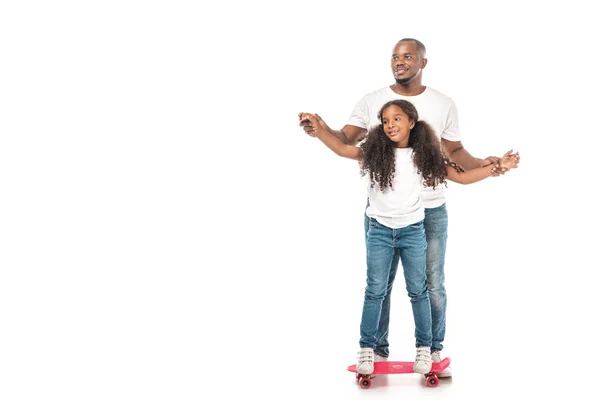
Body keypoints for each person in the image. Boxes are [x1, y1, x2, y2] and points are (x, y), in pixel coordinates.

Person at [299, 38, 520, 377]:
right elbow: (345, 143)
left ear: (423, 62)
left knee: (429, 286)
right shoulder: (373, 106)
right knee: (379, 287)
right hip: (381, 219)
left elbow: (456, 158)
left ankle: (430, 350)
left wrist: (492, 166)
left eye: (407, 56)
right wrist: (319, 128)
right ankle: (375, 350)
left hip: (425, 215)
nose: (399, 62)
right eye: (394, 57)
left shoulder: (440, 110)